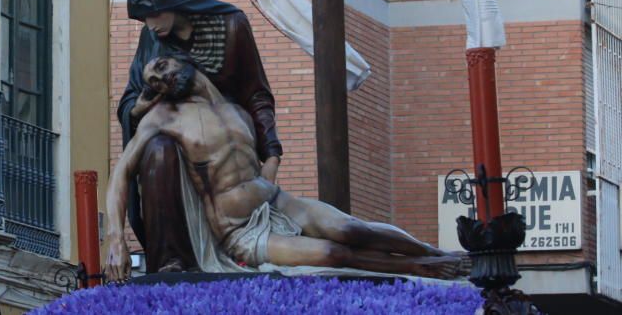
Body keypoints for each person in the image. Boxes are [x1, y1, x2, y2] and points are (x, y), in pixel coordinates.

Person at [105, 55, 463, 282]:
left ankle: (433, 253)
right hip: (241, 232)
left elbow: (262, 156)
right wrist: (116, 238)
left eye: (162, 67)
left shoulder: (236, 110)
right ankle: (417, 268)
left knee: (351, 228)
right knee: (330, 253)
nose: (160, 80)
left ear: (184, 62)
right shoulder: (164, 117)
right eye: (153, 81)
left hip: (275, 201)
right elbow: (121, 172)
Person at [120, 0, 282, 273]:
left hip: (226, 132)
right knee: (157, 150)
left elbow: (256, 93)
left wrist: (271, 154)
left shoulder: (232, 25)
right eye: (144, 20)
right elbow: (132, 97)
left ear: (170, 0)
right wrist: (136, 109)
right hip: (174, 129)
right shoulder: (151, 38)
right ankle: (173, 261)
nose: (151, 25)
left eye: (153, 14)